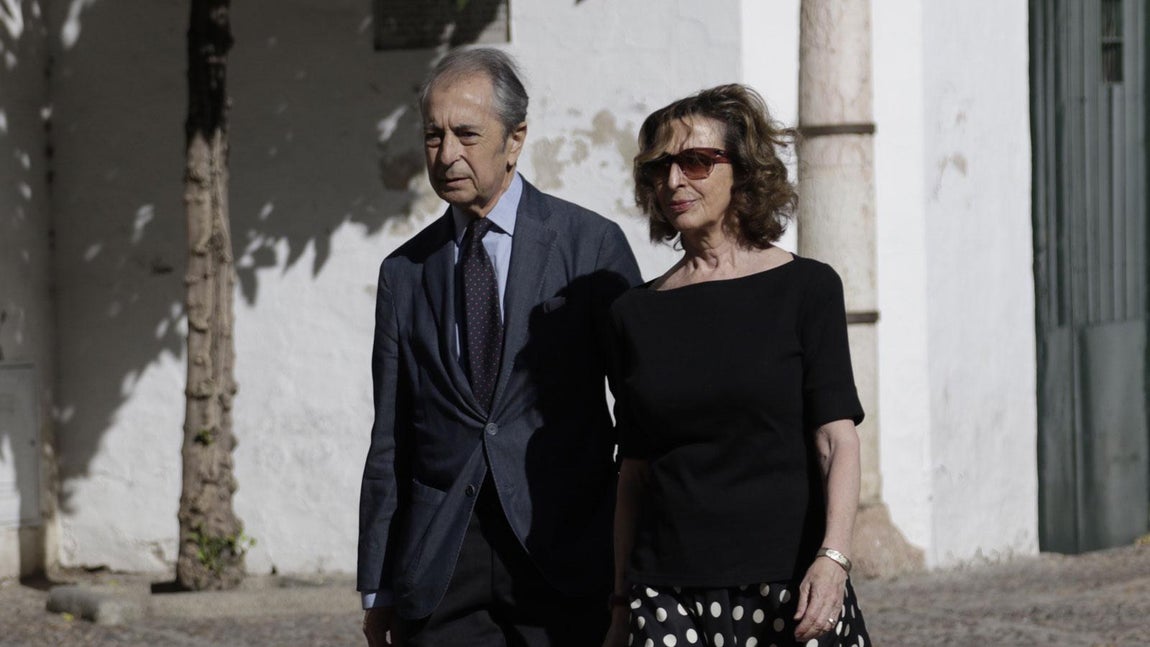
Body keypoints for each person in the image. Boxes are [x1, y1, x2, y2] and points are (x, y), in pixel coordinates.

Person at [358, 47, 642, 647]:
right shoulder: (404, 272)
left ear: (515, 140)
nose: (447, 154)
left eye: (467, 134)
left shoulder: (589, 247)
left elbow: (641, 413)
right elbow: (391, 435)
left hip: (562, 554)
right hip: (441, 563)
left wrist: (631, 565)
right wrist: (379, 584)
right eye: (434, 136)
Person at [604, 84, 871, 647]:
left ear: (743, 170)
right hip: (667, 594)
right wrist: (621, 602)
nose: (675, 181)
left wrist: (834, 557)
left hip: (789, 584)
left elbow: (836, 441)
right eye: (660, 167)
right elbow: (634, 473)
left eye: (696, 162)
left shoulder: (807, 289)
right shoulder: (634, 314)